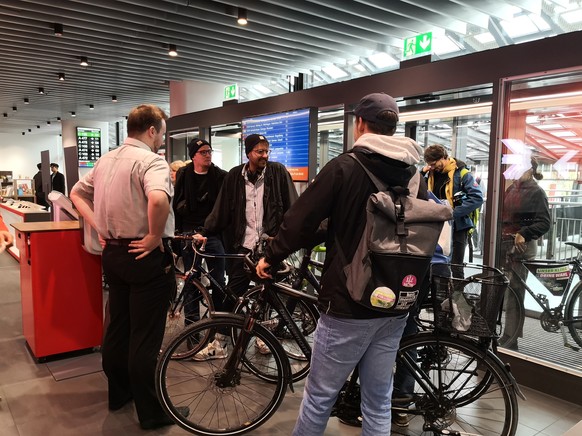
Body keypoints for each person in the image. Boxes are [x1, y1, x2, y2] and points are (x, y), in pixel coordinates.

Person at [256, 92, 428, 435]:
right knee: (378, 400)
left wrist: (271, 255)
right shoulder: (413, 175)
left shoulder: (345, 166)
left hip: (348, 304)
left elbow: (300, 221)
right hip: (393, 301)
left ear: (360, 124)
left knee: (320, 397)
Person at [70, 104, 187, 430]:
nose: (161, 138)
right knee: (145, 337)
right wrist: (153, 236)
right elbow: (159, 200)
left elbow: (76, 193)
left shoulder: (106, 160)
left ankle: (119, 394)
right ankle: (151, 413)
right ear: (152, 130)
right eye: (161, 132)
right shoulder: (151, 161)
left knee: (118, 328)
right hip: (144, 256)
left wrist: (99, 227)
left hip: (114, 256)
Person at [195, 133, 298, 360]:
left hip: (271, 247)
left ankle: (264, 338)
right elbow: (221, 210)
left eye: (266, 151)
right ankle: (220, 343)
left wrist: (286, 237)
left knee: (269, 297)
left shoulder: (277, 172)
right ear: (248, 153)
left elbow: (292, 206)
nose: (264, 155)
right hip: (244, 246)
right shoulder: (234, 176)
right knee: (234, 294)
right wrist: (205, 231)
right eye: (259, 151)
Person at [173, 138, 227, 319]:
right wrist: (178, 234)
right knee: (192, 281)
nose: (208, 155)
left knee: (219, 280)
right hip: (189, 233)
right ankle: (192, 326)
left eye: (209, 151)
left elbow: (224, 209)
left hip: (212, 232)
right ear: (193, 156)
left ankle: (219, 322)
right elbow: (176, 205)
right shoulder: (184, 174)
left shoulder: (220, 176)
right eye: (203, 152)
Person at [500, 157, 551, 350]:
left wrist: (524, 233)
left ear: (528, 170)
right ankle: (505, 334)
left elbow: (544, 222)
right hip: (505, 244)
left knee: (514, 292)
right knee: (505, 290)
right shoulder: (512, 189)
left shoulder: (536, 192)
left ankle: (510, 338)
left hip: (522, 247)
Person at [422, 144, 483, 277]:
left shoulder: (462, 174)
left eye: (434, 163)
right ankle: (440, 295)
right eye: (429, 165)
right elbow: (418, 190)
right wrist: (422, 173)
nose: (432, 167)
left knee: (456, 267)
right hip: (438, 225)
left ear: (444, 157)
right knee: (437, 264)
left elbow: (477, 198)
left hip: (458, 226)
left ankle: (456, 297)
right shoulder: (430, 175)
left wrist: (452, 213)